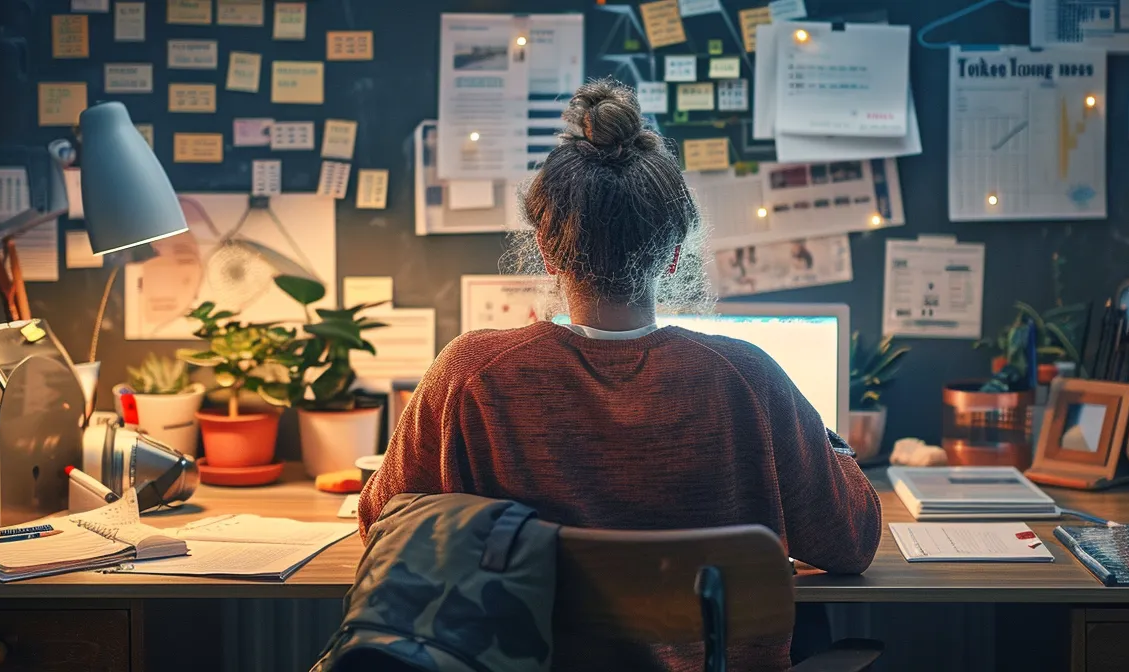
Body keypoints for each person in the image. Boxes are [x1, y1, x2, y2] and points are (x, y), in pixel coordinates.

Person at [359, 79, 881, 670]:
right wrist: (831, 450)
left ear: (548, 252)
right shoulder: (748, 377)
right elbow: (852, 542)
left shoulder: (470, 376)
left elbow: (383, 524)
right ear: (674, 253)